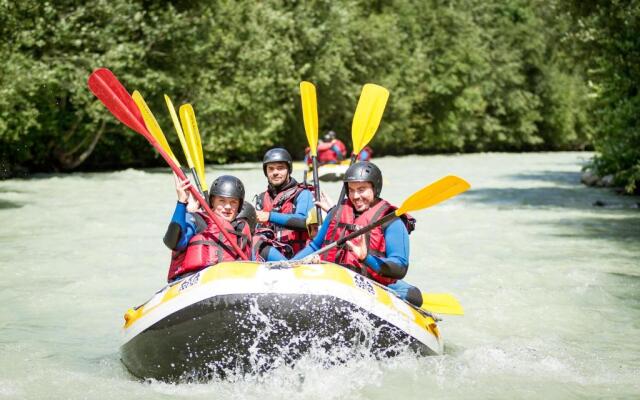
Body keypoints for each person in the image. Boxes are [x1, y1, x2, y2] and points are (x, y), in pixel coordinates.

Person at [292, 161, 423, 307]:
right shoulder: (336, 212)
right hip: (334, 279)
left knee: (414, 297)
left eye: (361, 189)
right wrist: (290, 265)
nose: (355, 196)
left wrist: (366, 257)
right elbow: (315, 245)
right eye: (351, 190)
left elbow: (400, 267)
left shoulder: (391, 221)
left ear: (375, 188)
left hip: (371, 284)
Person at [163, 175, 252, 282]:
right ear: (212, 202)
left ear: (239, 205)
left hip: (227, 283)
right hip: (193, 283)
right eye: (222, 201)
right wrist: (182, 202)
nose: (228, 207)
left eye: (233, 202)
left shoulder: (241, 230)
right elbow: (173, 242)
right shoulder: (199, 221)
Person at [253, 148, 315, 261]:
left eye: (280, 168)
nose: (275, 172)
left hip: (298, 257)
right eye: (271, 169)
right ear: (266, 172)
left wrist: (270, 216)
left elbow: (304, 222)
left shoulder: (303, 194)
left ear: (288, 170)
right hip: (271, 258)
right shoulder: (262, 198)